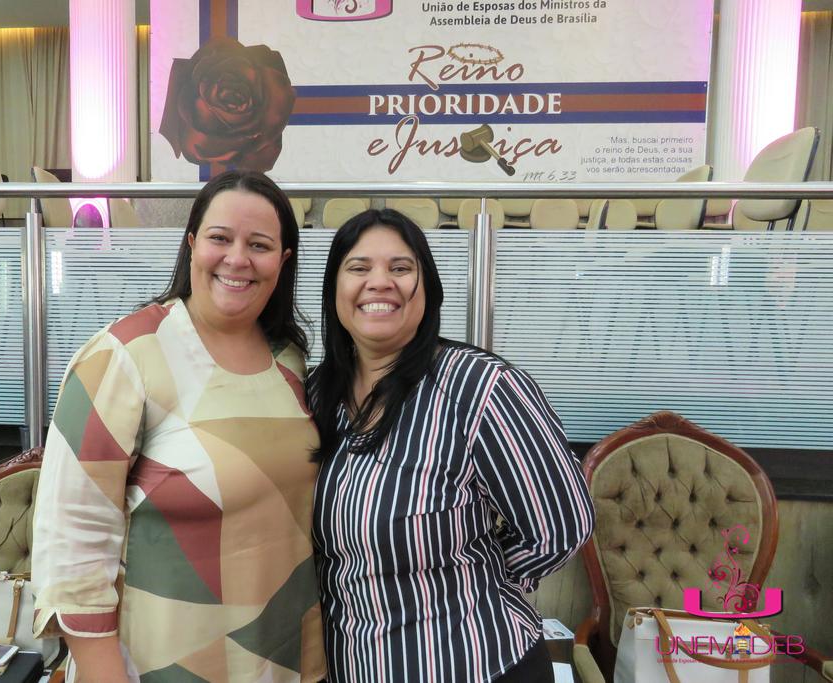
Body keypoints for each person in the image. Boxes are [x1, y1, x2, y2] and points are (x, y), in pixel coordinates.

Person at [32, 170, 326, 683]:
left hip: (286, 659)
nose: (237, 258)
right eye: (220, 238)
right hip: (160, 666)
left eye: (259, 245)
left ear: (283, 262)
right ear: (192, 245)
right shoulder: (122, 356)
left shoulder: (290, 361)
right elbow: (72, 543)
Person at [309, 208, 595, 682]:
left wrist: (475, 583)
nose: (379, 282)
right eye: (358, 267)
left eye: (400, 268)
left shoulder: (482, 388)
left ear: (428, 288)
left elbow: (561, 526)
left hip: (474, 664)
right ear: (333, 290)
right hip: (352, 665)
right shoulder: (317, 394)